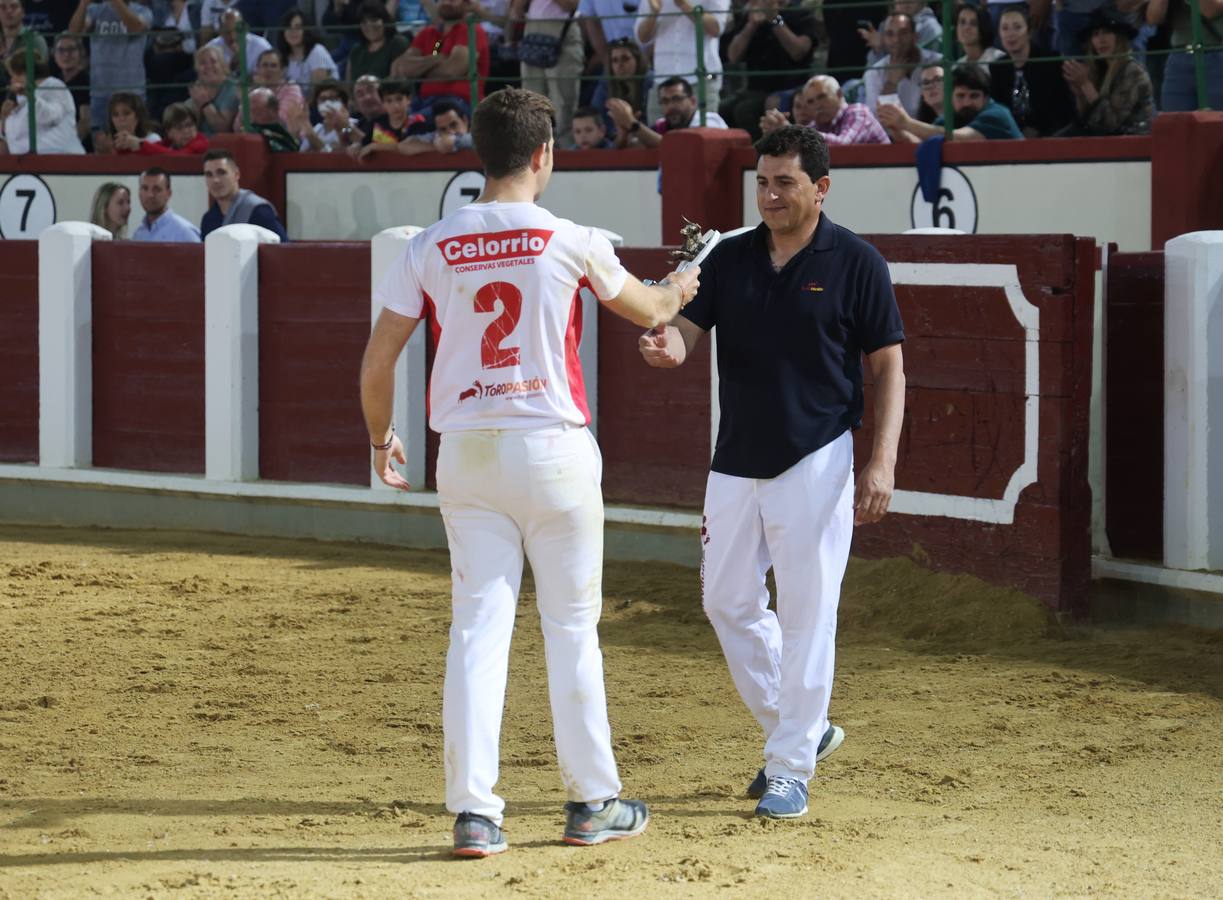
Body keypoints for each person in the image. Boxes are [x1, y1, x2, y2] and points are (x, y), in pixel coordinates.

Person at [358, 86, 699, 858]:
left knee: (478, 628)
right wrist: (678, 289)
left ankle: (476, 814)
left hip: (468, 455)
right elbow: (648, 311)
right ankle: (590, 803)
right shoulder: (570, 238)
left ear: (480, 156)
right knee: (571, 628)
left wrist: (382, 439)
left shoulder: (428, 245)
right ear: (544, 155)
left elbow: (378, 362)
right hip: (552, 452)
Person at [637, 124, 904, 820]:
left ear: (820, 188)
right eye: (761, 181)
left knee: (808, 615)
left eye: (784, 182)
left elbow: (888, 365)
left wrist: (881, 459)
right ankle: (805, 731)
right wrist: (666, 346)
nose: (769, 195)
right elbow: (687, 332)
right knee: (725, 601)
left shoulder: (855, 261)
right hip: (735, 458)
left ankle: (789, 769)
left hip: (817, 456)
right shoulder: (730, 256)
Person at [719, 0, 818, 139]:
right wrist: (751, 25)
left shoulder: (801, 14)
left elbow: (798, 51)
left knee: (746, 109)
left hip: (792, 85)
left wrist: (775, 20)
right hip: (755, 88)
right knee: (724, 108)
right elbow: (733, 56)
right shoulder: (752, 15)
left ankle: (762, 151)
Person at [69, 0, 154, 154]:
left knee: (135, 145)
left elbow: (135, 28)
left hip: (132, 93)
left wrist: (116, 2)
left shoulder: (143, 11)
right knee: (101, 146)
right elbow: (74, 33)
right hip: (100, 93)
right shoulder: (94, 11)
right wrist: (82, 4)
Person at [635, 0, 730, 124]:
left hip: (701, 80)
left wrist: (683, 4)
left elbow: (716, 28)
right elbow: (641, 38)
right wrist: (654, 13)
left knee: (702, 138)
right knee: (659, 139)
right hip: (662, 81)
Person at [1060, 10, 1153, 135]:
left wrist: (1085, 84)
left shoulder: (1133, 71)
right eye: (1095, 34)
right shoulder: (1099, 69)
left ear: (1120, 37)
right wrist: (1080, 94)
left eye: (1107, 32)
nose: (1101, 40)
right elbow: (1086, 120)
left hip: (1132, 141)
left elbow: (1109, 122)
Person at [878, 63, 1022, 141]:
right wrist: (896, 127)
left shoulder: (997, 115)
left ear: (985, 98)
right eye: (961, 96)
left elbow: (959, 139)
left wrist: (907, 123)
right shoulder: (948, 120)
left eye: (974, 96)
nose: (967, 102)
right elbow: (921, 146)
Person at [989, 6, 1075, 137]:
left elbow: (1060, 108)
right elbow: (999, 110)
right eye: (1005, 28)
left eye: (1017, 27)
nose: (1010, 34)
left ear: (1029, 31)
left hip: (1050, 134)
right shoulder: (997, 68)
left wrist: (1038, 129)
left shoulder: (1050, 62)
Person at [392, 0, 489, 113]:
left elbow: (451, 71)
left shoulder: (472, 30)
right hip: (423, 100)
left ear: (467, 4)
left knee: (415, 123)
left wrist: (420, 71)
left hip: (458, 103)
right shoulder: (428, 33)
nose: (447, 2)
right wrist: (436, 59)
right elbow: (400, 68)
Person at [511, 0, 584, 146]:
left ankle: (566, 148)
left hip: (562, 30)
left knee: (564, 101)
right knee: (531, 101)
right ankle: (535, 149)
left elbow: (571, 4)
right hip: (532, 28)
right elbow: (516, 12)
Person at [0, 47, 86, 153]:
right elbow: (14, 138)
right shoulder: (20, 99)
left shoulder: (53, 86)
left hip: (59, 160)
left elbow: (50, 115)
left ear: (28, 72)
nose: (13, 80)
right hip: (26, 164)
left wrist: (30, 96)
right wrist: (4, 119)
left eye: (16, 75)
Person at [761, 73, 889, 144]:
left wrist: (792, 130)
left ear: (839, 94)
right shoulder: (816, 126)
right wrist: (777, 134)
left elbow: (843, 146)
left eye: (822, 97)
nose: (817, 105)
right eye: (811, 102)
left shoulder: (858, 112)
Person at [609, 75, 726, 149]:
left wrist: (633, 124)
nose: (671, 106)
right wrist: (623, 135)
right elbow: (635, 147)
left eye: (676, 99)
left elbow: (678, 149)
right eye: (665, 101)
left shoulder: (709, 120)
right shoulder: (662, 125)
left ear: (693, 101)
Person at [1146, 0, 1223, 112]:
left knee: (1216, 119)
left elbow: (1209, 10)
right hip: (1179, 57)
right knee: (1175, 119)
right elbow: (1153, 18)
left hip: (1215, 54)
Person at [862, 13, 942, 117]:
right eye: (890, 34)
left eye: (903, 33)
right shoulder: (874, 73)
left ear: (915, 36)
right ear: (884, 39)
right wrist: (891, 84)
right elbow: (877, 120)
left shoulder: (937, 62)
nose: (896, 40)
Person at [200, 147, 288, 239]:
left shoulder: (258, 210)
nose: (215, 180)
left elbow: (281, 249)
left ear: (236, 174)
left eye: (221, 172)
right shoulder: (209, 219)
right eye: (209, 175)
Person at [589, 35, 650, 137]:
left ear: (638, 60)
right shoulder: (606, 84)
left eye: (625, 59)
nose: (620, 65)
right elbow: (597, 117)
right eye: (615, 60)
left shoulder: (650, 82)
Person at [354, 77, 425, 154]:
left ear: (409, 99)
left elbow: (407, 146)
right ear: (383, 103)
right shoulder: (377, 123)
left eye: (399, 99)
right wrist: (357, 146)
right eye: (389, 101)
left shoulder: (416, 121)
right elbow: (364, 144)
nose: (395, 106)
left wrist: (375, 146)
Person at [131, 167, 202, 241]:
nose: (150, 195)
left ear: (169, 194)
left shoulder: (185, 233)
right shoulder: (138, 235)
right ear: (139, 193)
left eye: (157, 189)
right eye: (145, 188)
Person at [346, 0, 410, 81]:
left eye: (374, 20)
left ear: (385, 21)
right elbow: (348, 84)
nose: (369, 25)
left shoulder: (398, 43)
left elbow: (396, 80)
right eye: (364, 22)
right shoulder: (356, 50)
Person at [277, 7, 340, 87]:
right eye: (288, 27)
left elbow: (317, 90)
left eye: (298, 27)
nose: (293, 31)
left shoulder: (317, 52)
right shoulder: (283, 55)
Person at [186, 44, 240, 134]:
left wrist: (205, 104)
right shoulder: (196, 89)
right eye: (203, 63)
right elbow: (190, 129)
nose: (208, 66)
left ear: (222, 65)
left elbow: (223, 129)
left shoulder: (233, 88)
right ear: (197, 69)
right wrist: (197, 106)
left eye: (213, 61)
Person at [294, 80, 359, 150]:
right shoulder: (317, 129)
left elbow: (338, 155)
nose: (327, 103)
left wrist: (310, 134)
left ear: (343, 102)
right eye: (323, 99)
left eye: (332, 99)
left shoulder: (354, 125)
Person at [393, 95, 471, 153]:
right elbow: (404, 146)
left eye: (453, 125)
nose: (450, 132)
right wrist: (437, 147)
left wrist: (452, 144)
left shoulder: (478, 132)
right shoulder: (437, 137)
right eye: (443, 129)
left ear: (465, 120)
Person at [0, 0, 48, 94]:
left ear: (23, 12)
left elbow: (39, 75)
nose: (8, 11)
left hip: (27, 97)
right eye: (3, 7)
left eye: (13, 7)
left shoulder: (34, 40)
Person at [204, 9, 273, 72]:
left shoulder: (261, 46)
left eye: (237, 31)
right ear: (220, 31)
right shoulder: (211, 48)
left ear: (245, 28)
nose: (233, 36)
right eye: (227, 32)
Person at [253, 48, 305, 124]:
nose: (268, 69)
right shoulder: (254, 90)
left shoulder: (292, 89)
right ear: (258, 69)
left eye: (273, 66)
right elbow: (238, 124)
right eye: (264, 65)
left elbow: (281, 120)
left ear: (282, 70)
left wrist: (262, 91)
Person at [135, 101, 209, 153]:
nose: (186, 131)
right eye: (179, 128)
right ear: (169, 133)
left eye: (189, 125)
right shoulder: (168, 143)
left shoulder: (200, 142)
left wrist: (141, 144)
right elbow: (155, 148)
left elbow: (178, 157)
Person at [243, 85, 299, 150]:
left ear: (274, 110)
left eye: (257, 111)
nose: (252, 117)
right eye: (248, 111)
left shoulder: (281, 132)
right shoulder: (252, 134)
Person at [954, 3, 1005, 72]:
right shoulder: (957, 66)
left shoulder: (997, 58)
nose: (966, 28)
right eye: (962, 22)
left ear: (983, 27)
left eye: (973, 23)